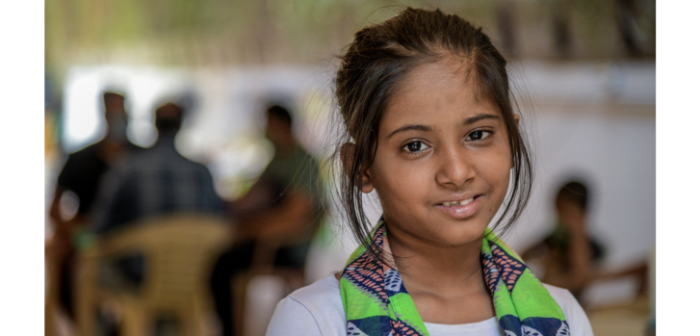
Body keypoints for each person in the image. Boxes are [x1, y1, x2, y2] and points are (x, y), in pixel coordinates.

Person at [266, 8, 594, 336]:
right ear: (361, 168)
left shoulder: (562, 316)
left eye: (477, 135)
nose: (456, 172)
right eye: (415, 146)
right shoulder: (314, 321)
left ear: (512, 138)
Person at [209, 104, 323, 336]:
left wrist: (253, 229)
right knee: (219, 262)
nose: (265, 130)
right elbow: (252, 198)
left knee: (223, 267)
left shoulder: (302, 162)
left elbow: (295, 215)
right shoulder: (278, 159)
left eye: (268, 124)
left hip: (284, 246)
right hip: (267, 239)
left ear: (281, 124)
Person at [47, 91, 137, 322]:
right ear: (103, 113)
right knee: (73, 261)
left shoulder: (141, 159)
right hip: (89, 236)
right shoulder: (80, 159)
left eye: (121, 111)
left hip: (135, 237)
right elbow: (55, 205)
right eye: (112, 111)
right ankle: (84, 322)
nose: (117, 117)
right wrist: (71, 228)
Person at [522, 180, 606, 301]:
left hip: (573, 305)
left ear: (581, 213)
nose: (559, 217)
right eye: (558, 211)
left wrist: (577, 234)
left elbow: (580, 279)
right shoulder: (555, 239)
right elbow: (521, 256)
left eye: (565, 211)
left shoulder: (592, 247)